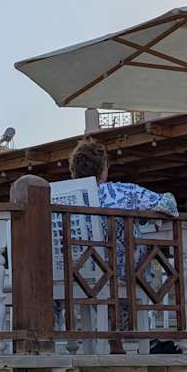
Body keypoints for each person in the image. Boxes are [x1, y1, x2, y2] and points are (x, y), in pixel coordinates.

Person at [66, 138, 177, 353]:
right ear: (104, 169)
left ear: (74, 172)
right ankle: (122, 337)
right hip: (120, 271)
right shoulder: (121, 192)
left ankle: (113, 340)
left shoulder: (65, 197)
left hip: (77, 270)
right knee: (134, 257)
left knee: (110, 264)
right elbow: (169, 204)